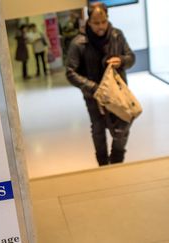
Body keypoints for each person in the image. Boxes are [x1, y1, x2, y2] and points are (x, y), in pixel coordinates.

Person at [65, 2, 135, 166]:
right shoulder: (79, 42)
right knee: (98, 129)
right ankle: (103, 163)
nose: (101, 26)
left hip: (118, 93)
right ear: (89, 21)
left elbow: (131, 57)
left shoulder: (117, 35)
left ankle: (117, 160)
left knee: (123, 124)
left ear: (107, 18)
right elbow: (70, 72)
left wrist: (122, 60)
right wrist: (94, 88)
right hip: (93, 95)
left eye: (103, 22)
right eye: (96, 23)